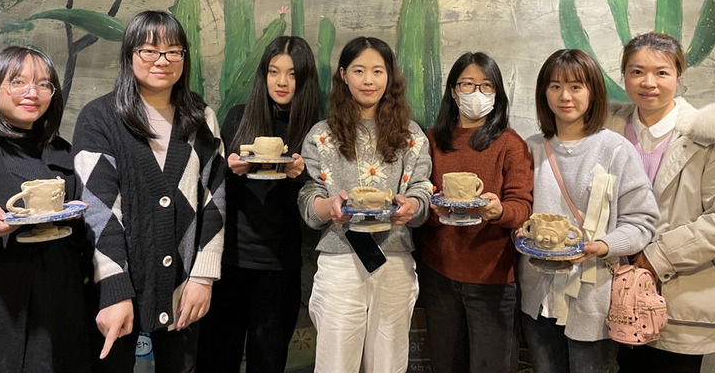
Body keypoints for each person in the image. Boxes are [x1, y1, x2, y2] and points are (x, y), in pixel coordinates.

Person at [73, 11, 225, 372]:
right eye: (149, 50)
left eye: (173, 51)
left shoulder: (201, 117)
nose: (162, 60)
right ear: (130, 55)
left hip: (184, 287)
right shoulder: (99, 118)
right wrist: (114, 288)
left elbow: (214, 198)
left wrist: (202, 277)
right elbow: (98, 210)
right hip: (118, 288)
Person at [608, 32, 715, 373]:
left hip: (681, 301)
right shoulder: (607, 129)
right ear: (623, 75)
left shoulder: (709, 135)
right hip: (613, 293)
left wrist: (657, 257)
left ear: (678, 76)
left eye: (661, 72)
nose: (648, 82)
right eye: (637, 71)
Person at [298, 36, 433, 373]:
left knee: (389, 363)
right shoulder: (321, 135)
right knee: (335, 364)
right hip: (340, 260)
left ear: (390, 76)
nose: (368, 80)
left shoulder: (411, 136)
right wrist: (330, 207)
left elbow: (422, 189)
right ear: (344, 75)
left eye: (377, 71)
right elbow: (308, 196)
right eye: (359, 71)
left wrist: (413, 206)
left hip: (395, 259)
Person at [519, 48, 659, 373]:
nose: (565, 96)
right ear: (544, 93)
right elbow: (519, 207)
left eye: (576, 86)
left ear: (592, 91)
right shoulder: (531, 147)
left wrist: (604, 245)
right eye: (555, 86)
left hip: (594, 295)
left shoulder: (616, 149)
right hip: (538, 294)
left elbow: (642, 221)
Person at [0, 46, 91, 373]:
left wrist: (77, 218)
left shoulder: (62, 152)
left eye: (44, 84)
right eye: (17, 82)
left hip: (56, 312)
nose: (33, 93)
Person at [197, 36, 321, 373]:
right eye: (274, 71)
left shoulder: (316, 131)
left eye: (292, 74)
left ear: (305, 79)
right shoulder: (239, 118)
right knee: (215, 360)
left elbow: (319, 205)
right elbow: (211, 189)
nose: (282, 82)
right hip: (229, 263)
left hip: (280, 267)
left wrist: (299, 176)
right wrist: (230, 171)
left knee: (268, 362)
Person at [420, 52, 533, 373]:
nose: (476, 93)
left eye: (486, 86)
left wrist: (499, 211)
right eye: (467, 85)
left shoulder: (510, 144)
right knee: (445, 365)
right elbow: (419, 203)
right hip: (439, 275)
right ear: (453, 92)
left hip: (492, 280)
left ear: (496, 94)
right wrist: (432, 210)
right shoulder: (431, 141)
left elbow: (522, 207)